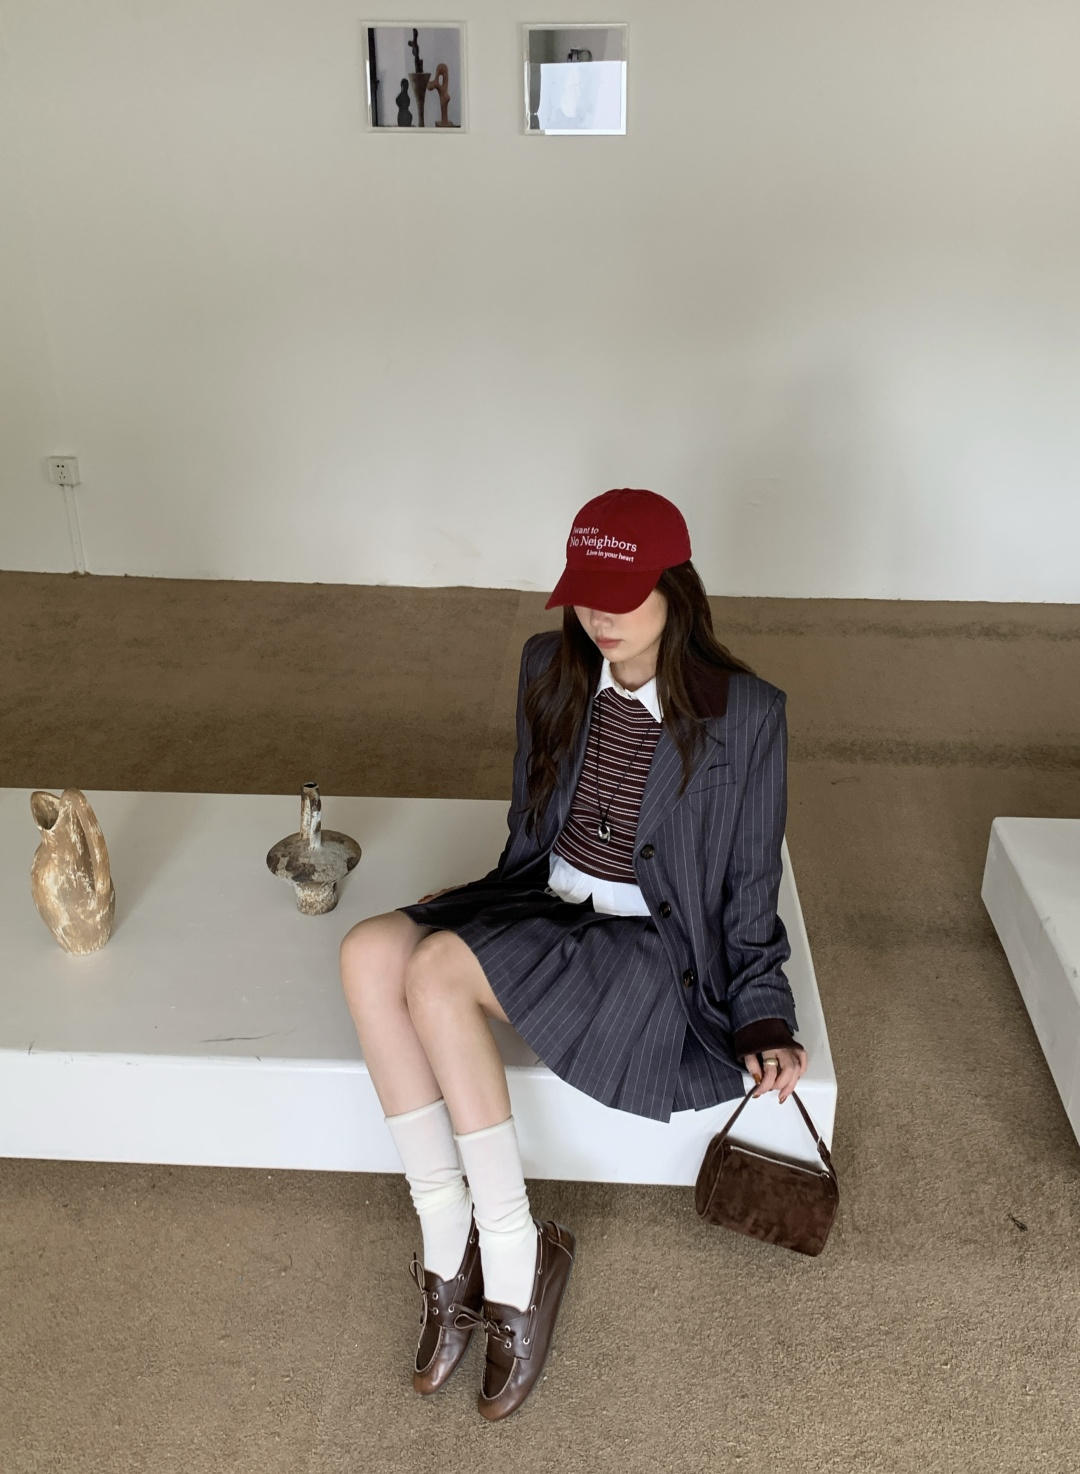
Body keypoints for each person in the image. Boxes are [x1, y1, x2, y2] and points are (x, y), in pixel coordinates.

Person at [339, 487, 808, 1421]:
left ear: (677, 589)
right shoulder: (546, 668)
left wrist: (763, 1012)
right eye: (585, 592)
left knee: (435, 972)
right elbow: (532, 817)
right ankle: (447, 1234)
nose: (600, 615)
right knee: (367, 950)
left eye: (623, 595)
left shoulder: (746, 713)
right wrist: (486, 896)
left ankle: (515, 1258)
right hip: (546, 902)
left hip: (650, 949)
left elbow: (751, 880)